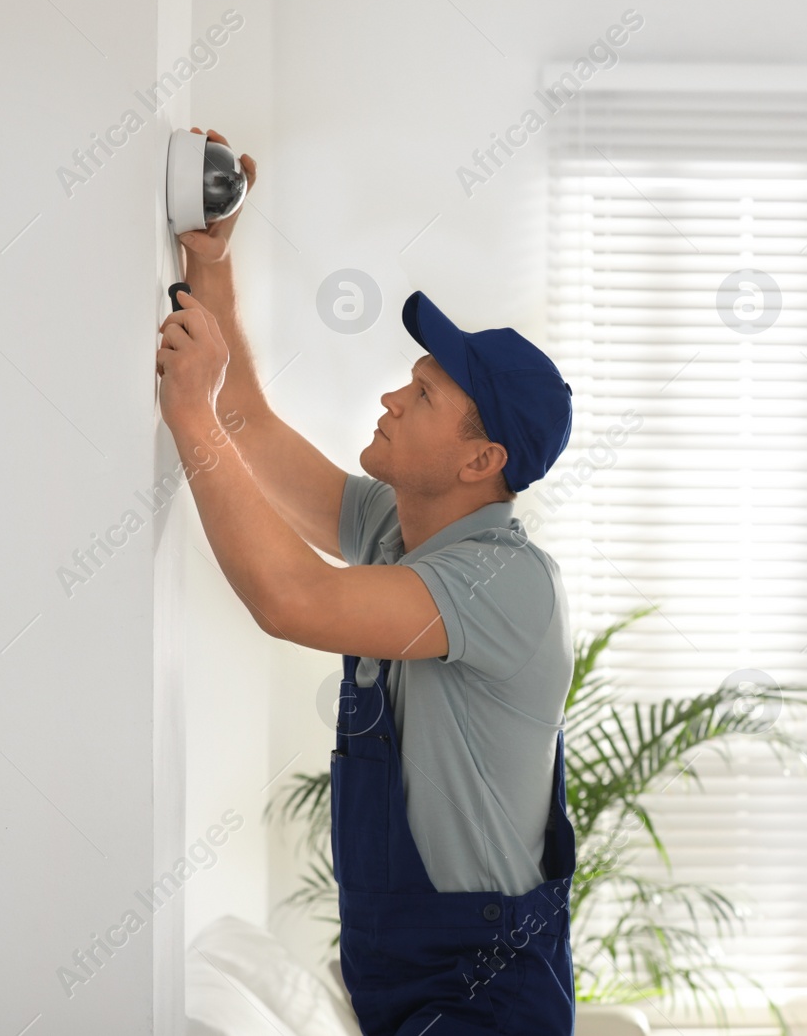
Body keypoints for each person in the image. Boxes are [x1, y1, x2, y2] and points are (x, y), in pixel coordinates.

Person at [156, 128, 579, 1035]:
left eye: (423, 395)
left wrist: (185, 416)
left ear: (481, 459)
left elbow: (292, 599)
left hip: (484, 994)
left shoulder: (507, 583)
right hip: (402, 978)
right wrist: (211, 257)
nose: (393, 396)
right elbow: (251, 423)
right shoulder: (399, 527)